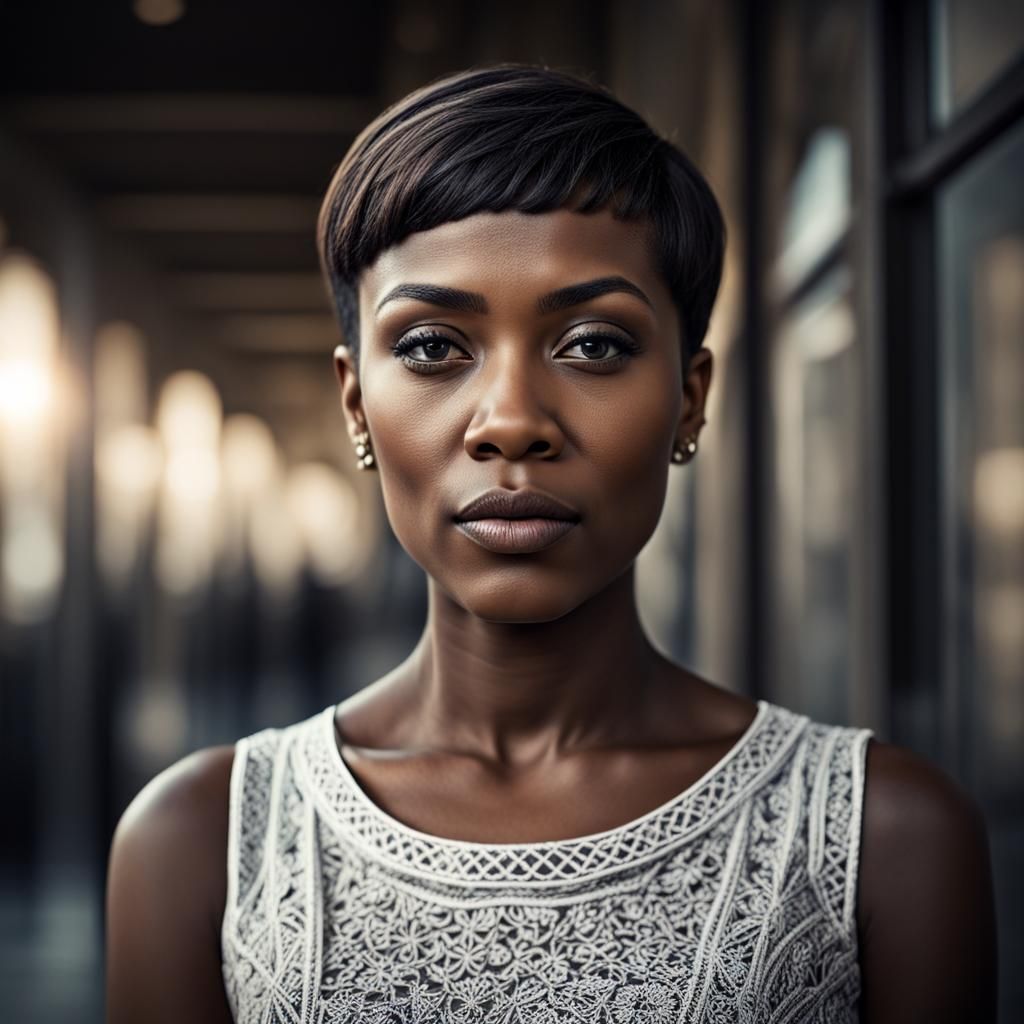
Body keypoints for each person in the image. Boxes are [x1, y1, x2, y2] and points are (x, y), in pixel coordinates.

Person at [105, 64, 997, 1023]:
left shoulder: (882, 837)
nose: (513, 421)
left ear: (689, 399)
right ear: (356, 403)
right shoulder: (202, 840)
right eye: (431, 347)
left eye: (595, 345)